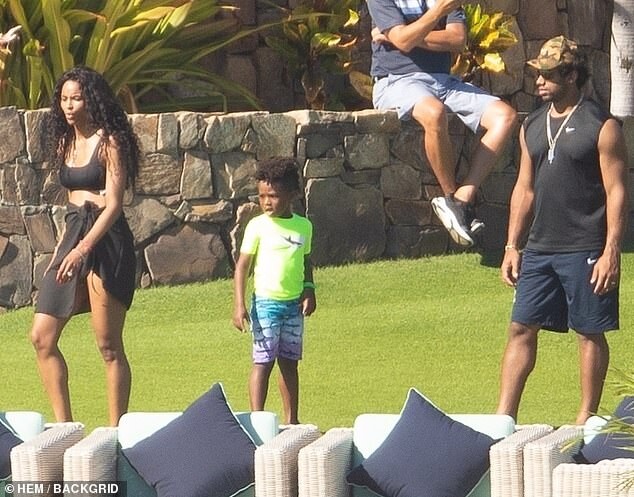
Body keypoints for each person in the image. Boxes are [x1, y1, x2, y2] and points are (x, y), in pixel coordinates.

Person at [496, 36, 629, 425]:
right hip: (540, 248)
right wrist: (511, 246)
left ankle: (586, 419)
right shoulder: (532, 125)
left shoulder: (602, 126)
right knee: (521, 327)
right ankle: (503, 418)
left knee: (588, 331)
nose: (539, 81)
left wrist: (611, 251)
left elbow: (617, 192)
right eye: (538, 73)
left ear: (571, 75)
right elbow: (524, 188)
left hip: (586, 246)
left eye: (549, 74)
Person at [30, 66, 140, 426]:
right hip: (74, 233)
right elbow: (71, 204)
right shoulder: (64, 142)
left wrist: (83, 250)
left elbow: (114, 204)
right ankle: (65, 428)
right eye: (64, 99)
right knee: (42, 337)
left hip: (107, 241)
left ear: (91, 100)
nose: (68, 105)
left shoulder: (110, 142)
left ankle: (115, 433)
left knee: (108, 345)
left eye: (76, 98)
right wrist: (64, 249)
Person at [367, 0, 517, 247]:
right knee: (434, 113)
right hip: (396, 80)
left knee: (505, 116)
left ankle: (461, 199)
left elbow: (457, 40)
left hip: (445, 81)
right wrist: (436, 13)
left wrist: (405, 36)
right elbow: (403, 40)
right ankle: (449, 195)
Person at [232, 158, 316, 425]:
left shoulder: (303, 226)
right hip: (266, 304)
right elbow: (242, 267)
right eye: (262, 196)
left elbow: (305, 261)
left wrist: (309, 289)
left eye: (274, 196)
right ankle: (258, 421)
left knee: (289, 363)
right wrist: (239, 305)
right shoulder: (258, 226)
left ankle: (292, 422)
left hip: (293, 306)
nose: (266, 202)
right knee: (263, 362)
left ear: (292, 195)